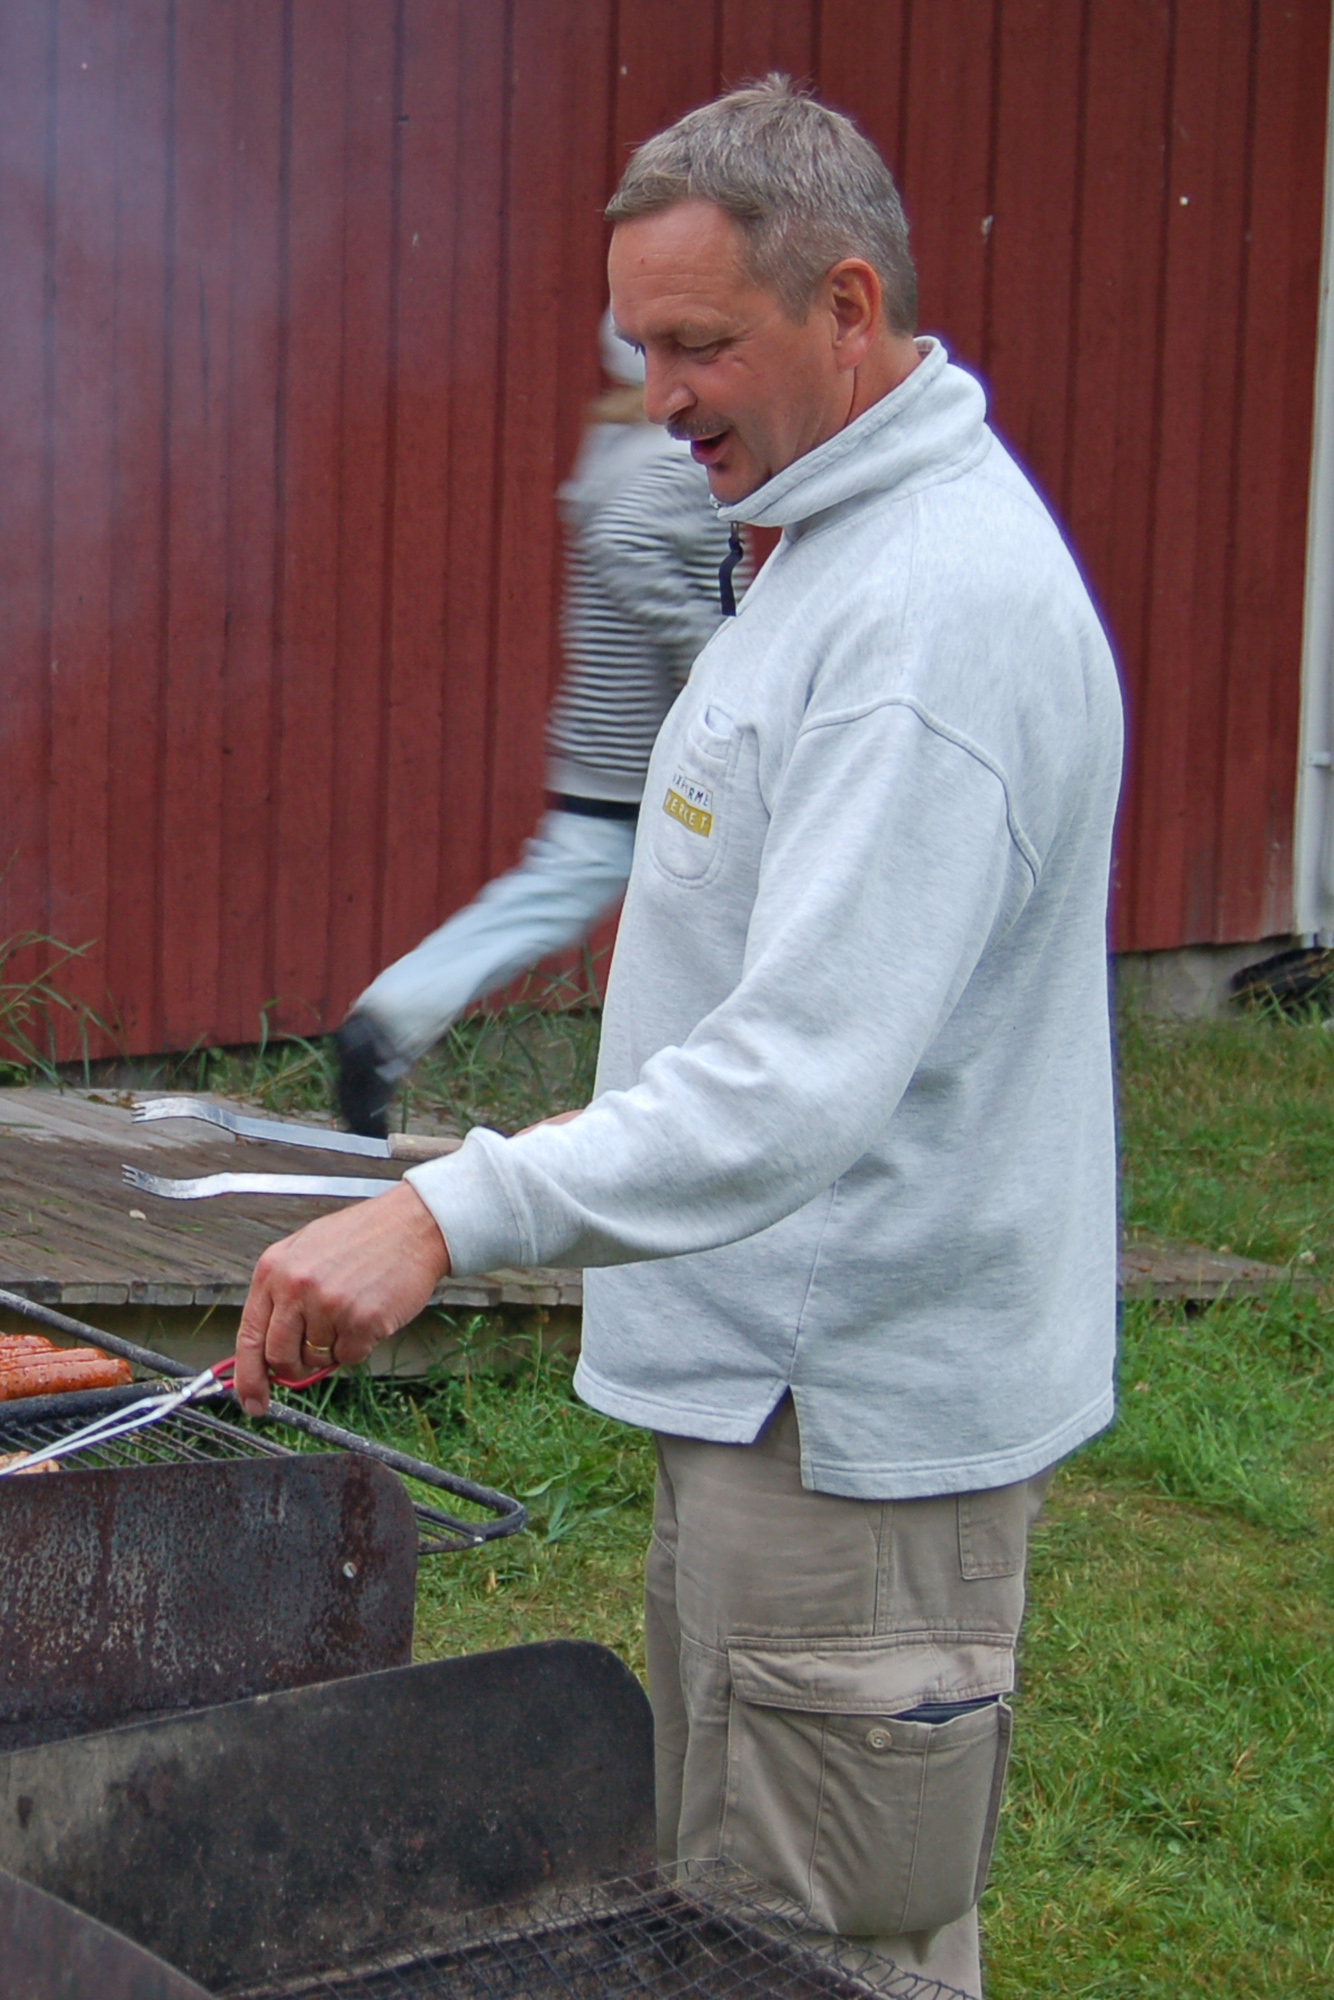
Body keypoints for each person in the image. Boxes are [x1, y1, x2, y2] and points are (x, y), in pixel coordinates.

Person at [236, 76, 1122, 1998]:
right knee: (749, 1912)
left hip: (851, 1427)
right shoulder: (824, 538)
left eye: (699, 344)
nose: (660, 399)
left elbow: (797, 1076)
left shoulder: (921, 620)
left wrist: (445, 1213)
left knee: (811, 1956)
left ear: (849, 308)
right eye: (639, 345)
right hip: (769, 1408)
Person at [334, 311, 731, 1136]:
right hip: (645, 750)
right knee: (723, 903)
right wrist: (718, 655)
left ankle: (392, 1020)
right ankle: (705, 1111)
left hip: (615, 743)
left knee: (568, 896)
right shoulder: (669, 464)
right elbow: (628, 545)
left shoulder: (620, 447)